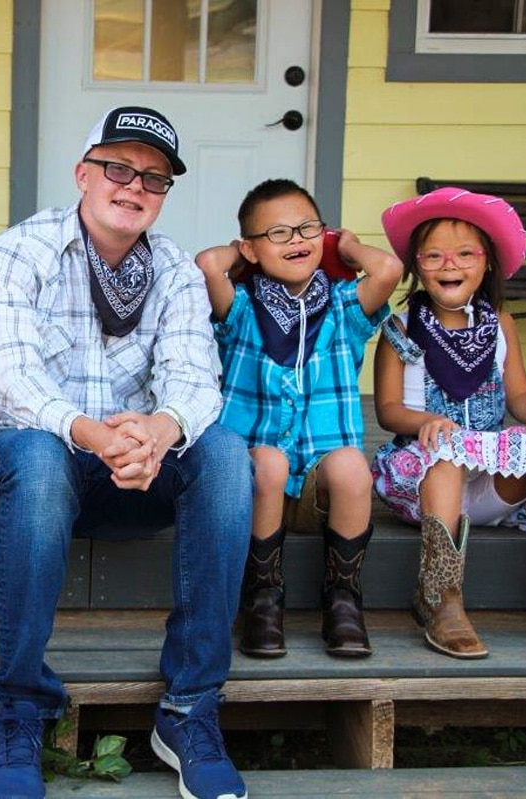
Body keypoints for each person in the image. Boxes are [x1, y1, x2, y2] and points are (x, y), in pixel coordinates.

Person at [0, 106, 252, 799]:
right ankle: (19, 709)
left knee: (229, 454)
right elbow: (17, 382)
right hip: (11, 468)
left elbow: (194, 382)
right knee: (36, 453)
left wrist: (157, 431)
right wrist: (98, 434)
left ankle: (190, 708)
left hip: (126, 472)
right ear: (83, 173)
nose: (134, 185)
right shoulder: (21, 250)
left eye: (153, 176)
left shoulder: (175, 270)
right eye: (118, 167)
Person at [373, 186, 526, 659]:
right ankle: (442, 599)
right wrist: (427, 421)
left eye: (464, 254)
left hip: (487, 482)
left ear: (487, 263)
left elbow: (518, 393)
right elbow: (388, 410)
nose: (449, 265)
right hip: (424, 478)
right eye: (433, 256)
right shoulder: (400, 326)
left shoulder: (499, 322)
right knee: (445, 452)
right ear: (417, 265)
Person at [194, 179, 402, 660]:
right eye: (278, 233)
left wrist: (346, 246)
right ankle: (263, 599)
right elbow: (208, 265)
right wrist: (236, 252)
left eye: (308, 228)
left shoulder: (344, 308)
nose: (297, 240)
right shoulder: (242, 310)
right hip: (250, 491)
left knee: (351, 463)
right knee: (267, 460)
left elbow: (388, 268)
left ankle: (343, 600)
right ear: (251, 247)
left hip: (319, 493)